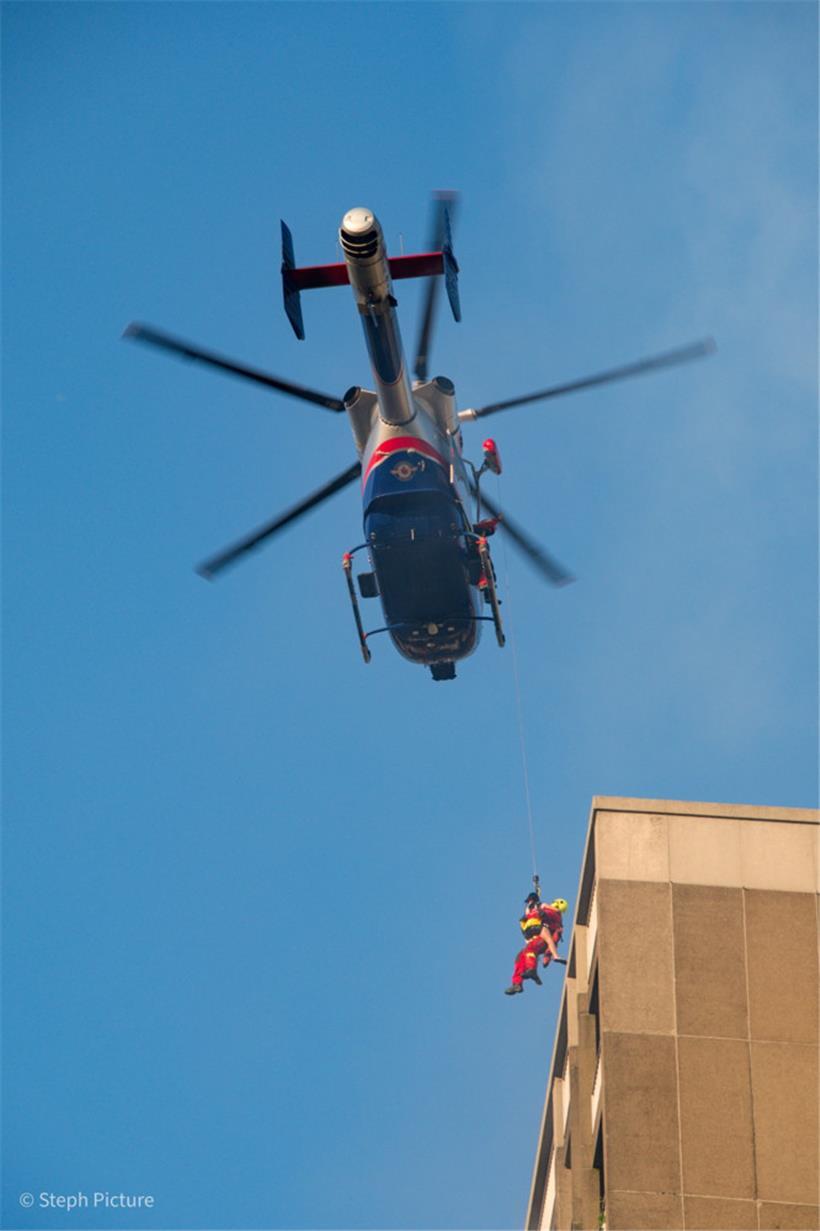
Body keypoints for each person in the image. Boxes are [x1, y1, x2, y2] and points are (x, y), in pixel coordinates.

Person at [504, 894, 569, 995]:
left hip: (542, 939)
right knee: (520, 957)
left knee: (530, 950)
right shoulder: (545, 912)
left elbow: (553, 937)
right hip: (537, 937)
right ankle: (517, 983)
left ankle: (532, 970)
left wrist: (536, 910)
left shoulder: (555, 915)